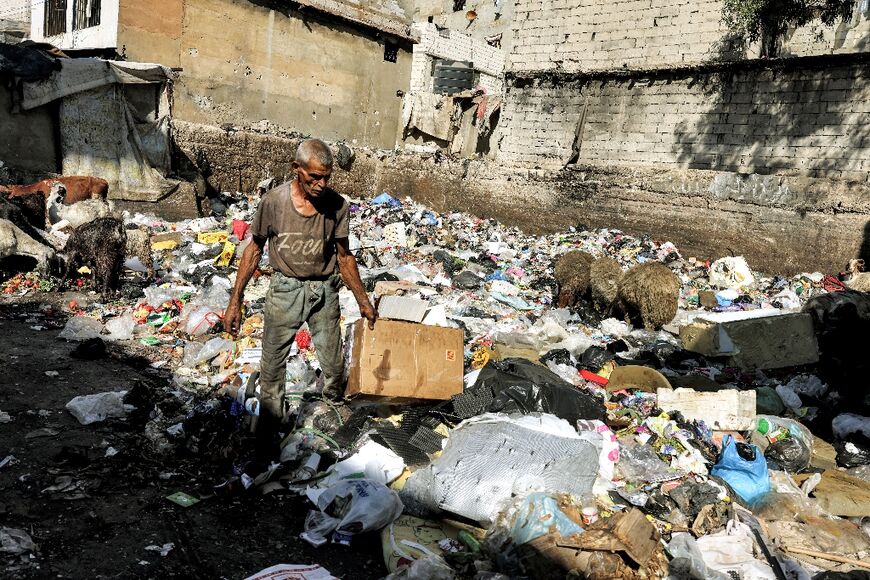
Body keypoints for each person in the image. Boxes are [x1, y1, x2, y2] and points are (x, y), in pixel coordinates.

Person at [224, 138, 377, 460]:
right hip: (285, 289)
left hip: (324, 290)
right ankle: (269, 431)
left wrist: (363, 300)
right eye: (313, 178)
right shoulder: (274, 203)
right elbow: (253, 250)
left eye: (326, 177)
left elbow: (344, 257)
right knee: (272, 364)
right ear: (296, 170)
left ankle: (332, 415)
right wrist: (234, 302)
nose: (320, 185)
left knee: (334, 364)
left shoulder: (337, 205)